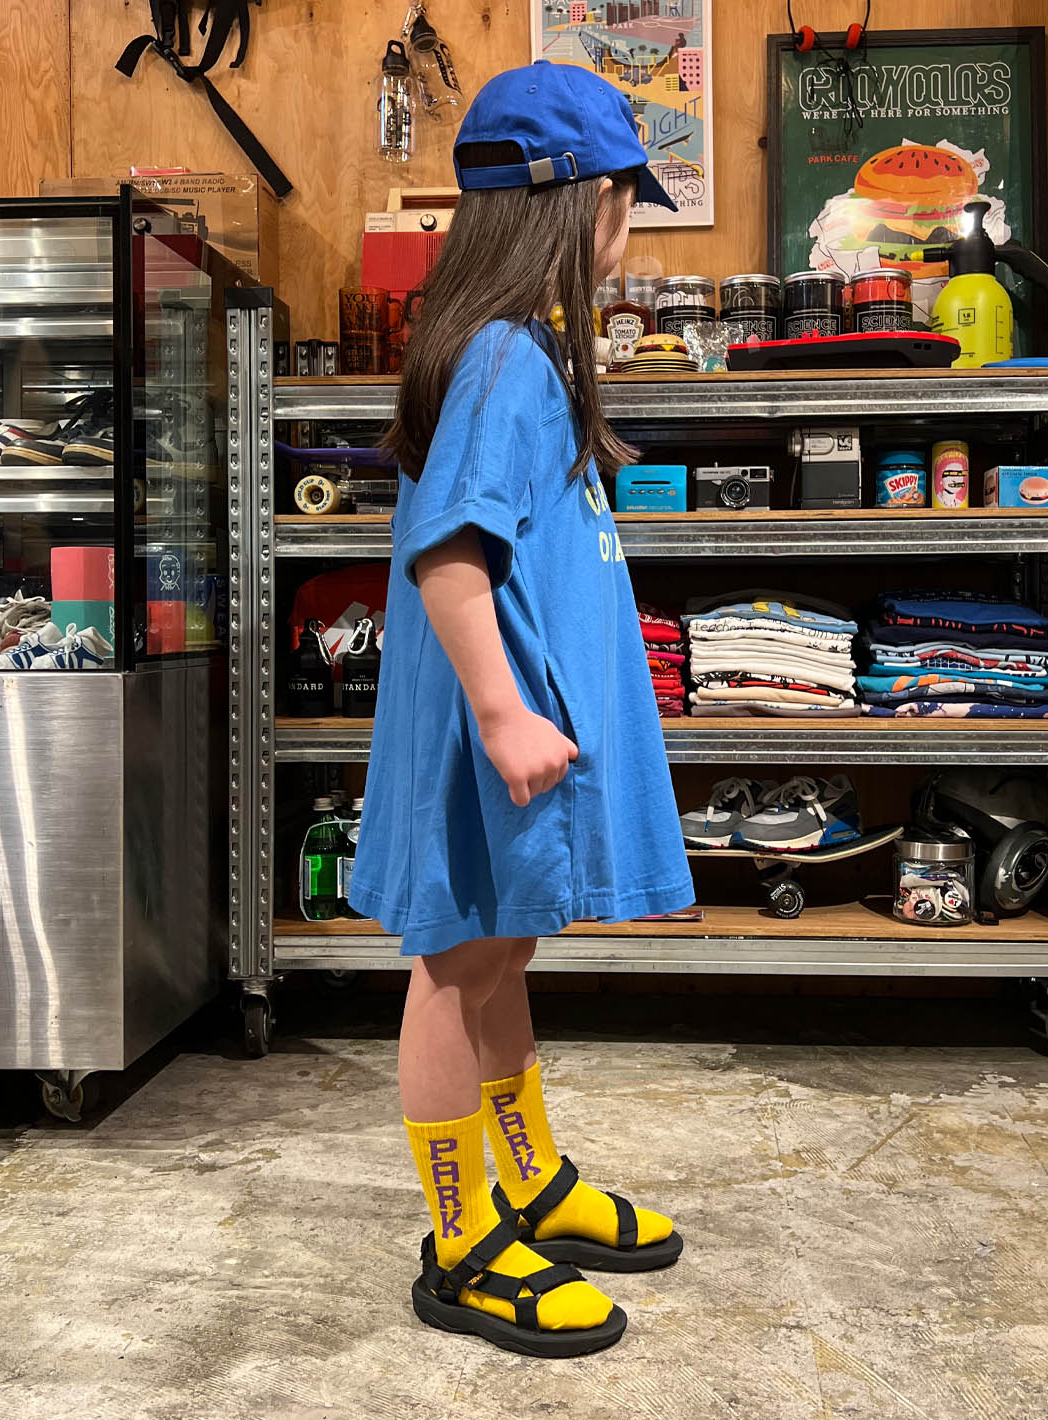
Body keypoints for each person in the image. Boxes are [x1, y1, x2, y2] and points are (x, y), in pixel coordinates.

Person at [349, 59, 694, 1358]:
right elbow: (448, 552)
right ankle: (460, 1246)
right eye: (625, 202)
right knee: (457, 966)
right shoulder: (502, 357)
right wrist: (501, 713)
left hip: (520, 736)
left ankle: (530, 1180)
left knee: (505, 953)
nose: (628, 228)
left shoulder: (523, 348)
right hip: (490, 736)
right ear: (579, 201)